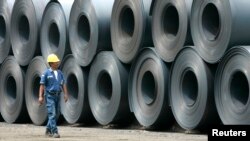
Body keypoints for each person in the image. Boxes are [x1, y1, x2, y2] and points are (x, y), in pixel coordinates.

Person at [38, 53, 68, 138]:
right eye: (56, 62)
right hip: (49, 96)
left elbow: (63, 84)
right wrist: (40, 96)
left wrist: (66, 94)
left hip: (58, 96)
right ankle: (54, 132)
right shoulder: (46, 73)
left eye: (57, 62)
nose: (58, 63)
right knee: (52, 114)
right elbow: (42, 85)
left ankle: (48, 129)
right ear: (51, 63)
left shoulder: (60, 73)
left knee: (57, 113)